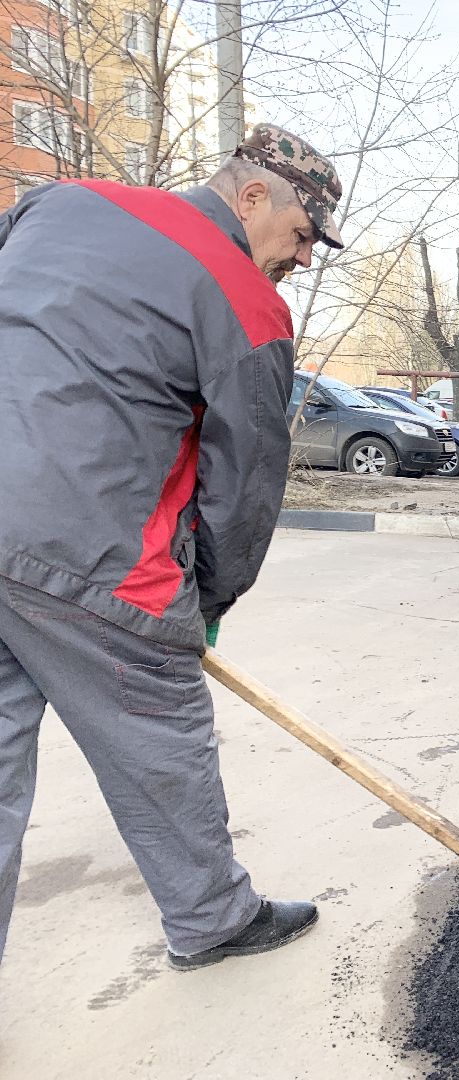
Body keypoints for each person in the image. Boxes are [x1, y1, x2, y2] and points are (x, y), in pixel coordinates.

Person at [0, 124, 345, 973]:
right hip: (91, 549)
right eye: (304, 236)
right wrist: (203, 608)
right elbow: (245, 488)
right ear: (255, 193)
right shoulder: (245, 302)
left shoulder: (58, 203)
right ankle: (214, 918)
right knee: (162, 728)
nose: (304, 260)